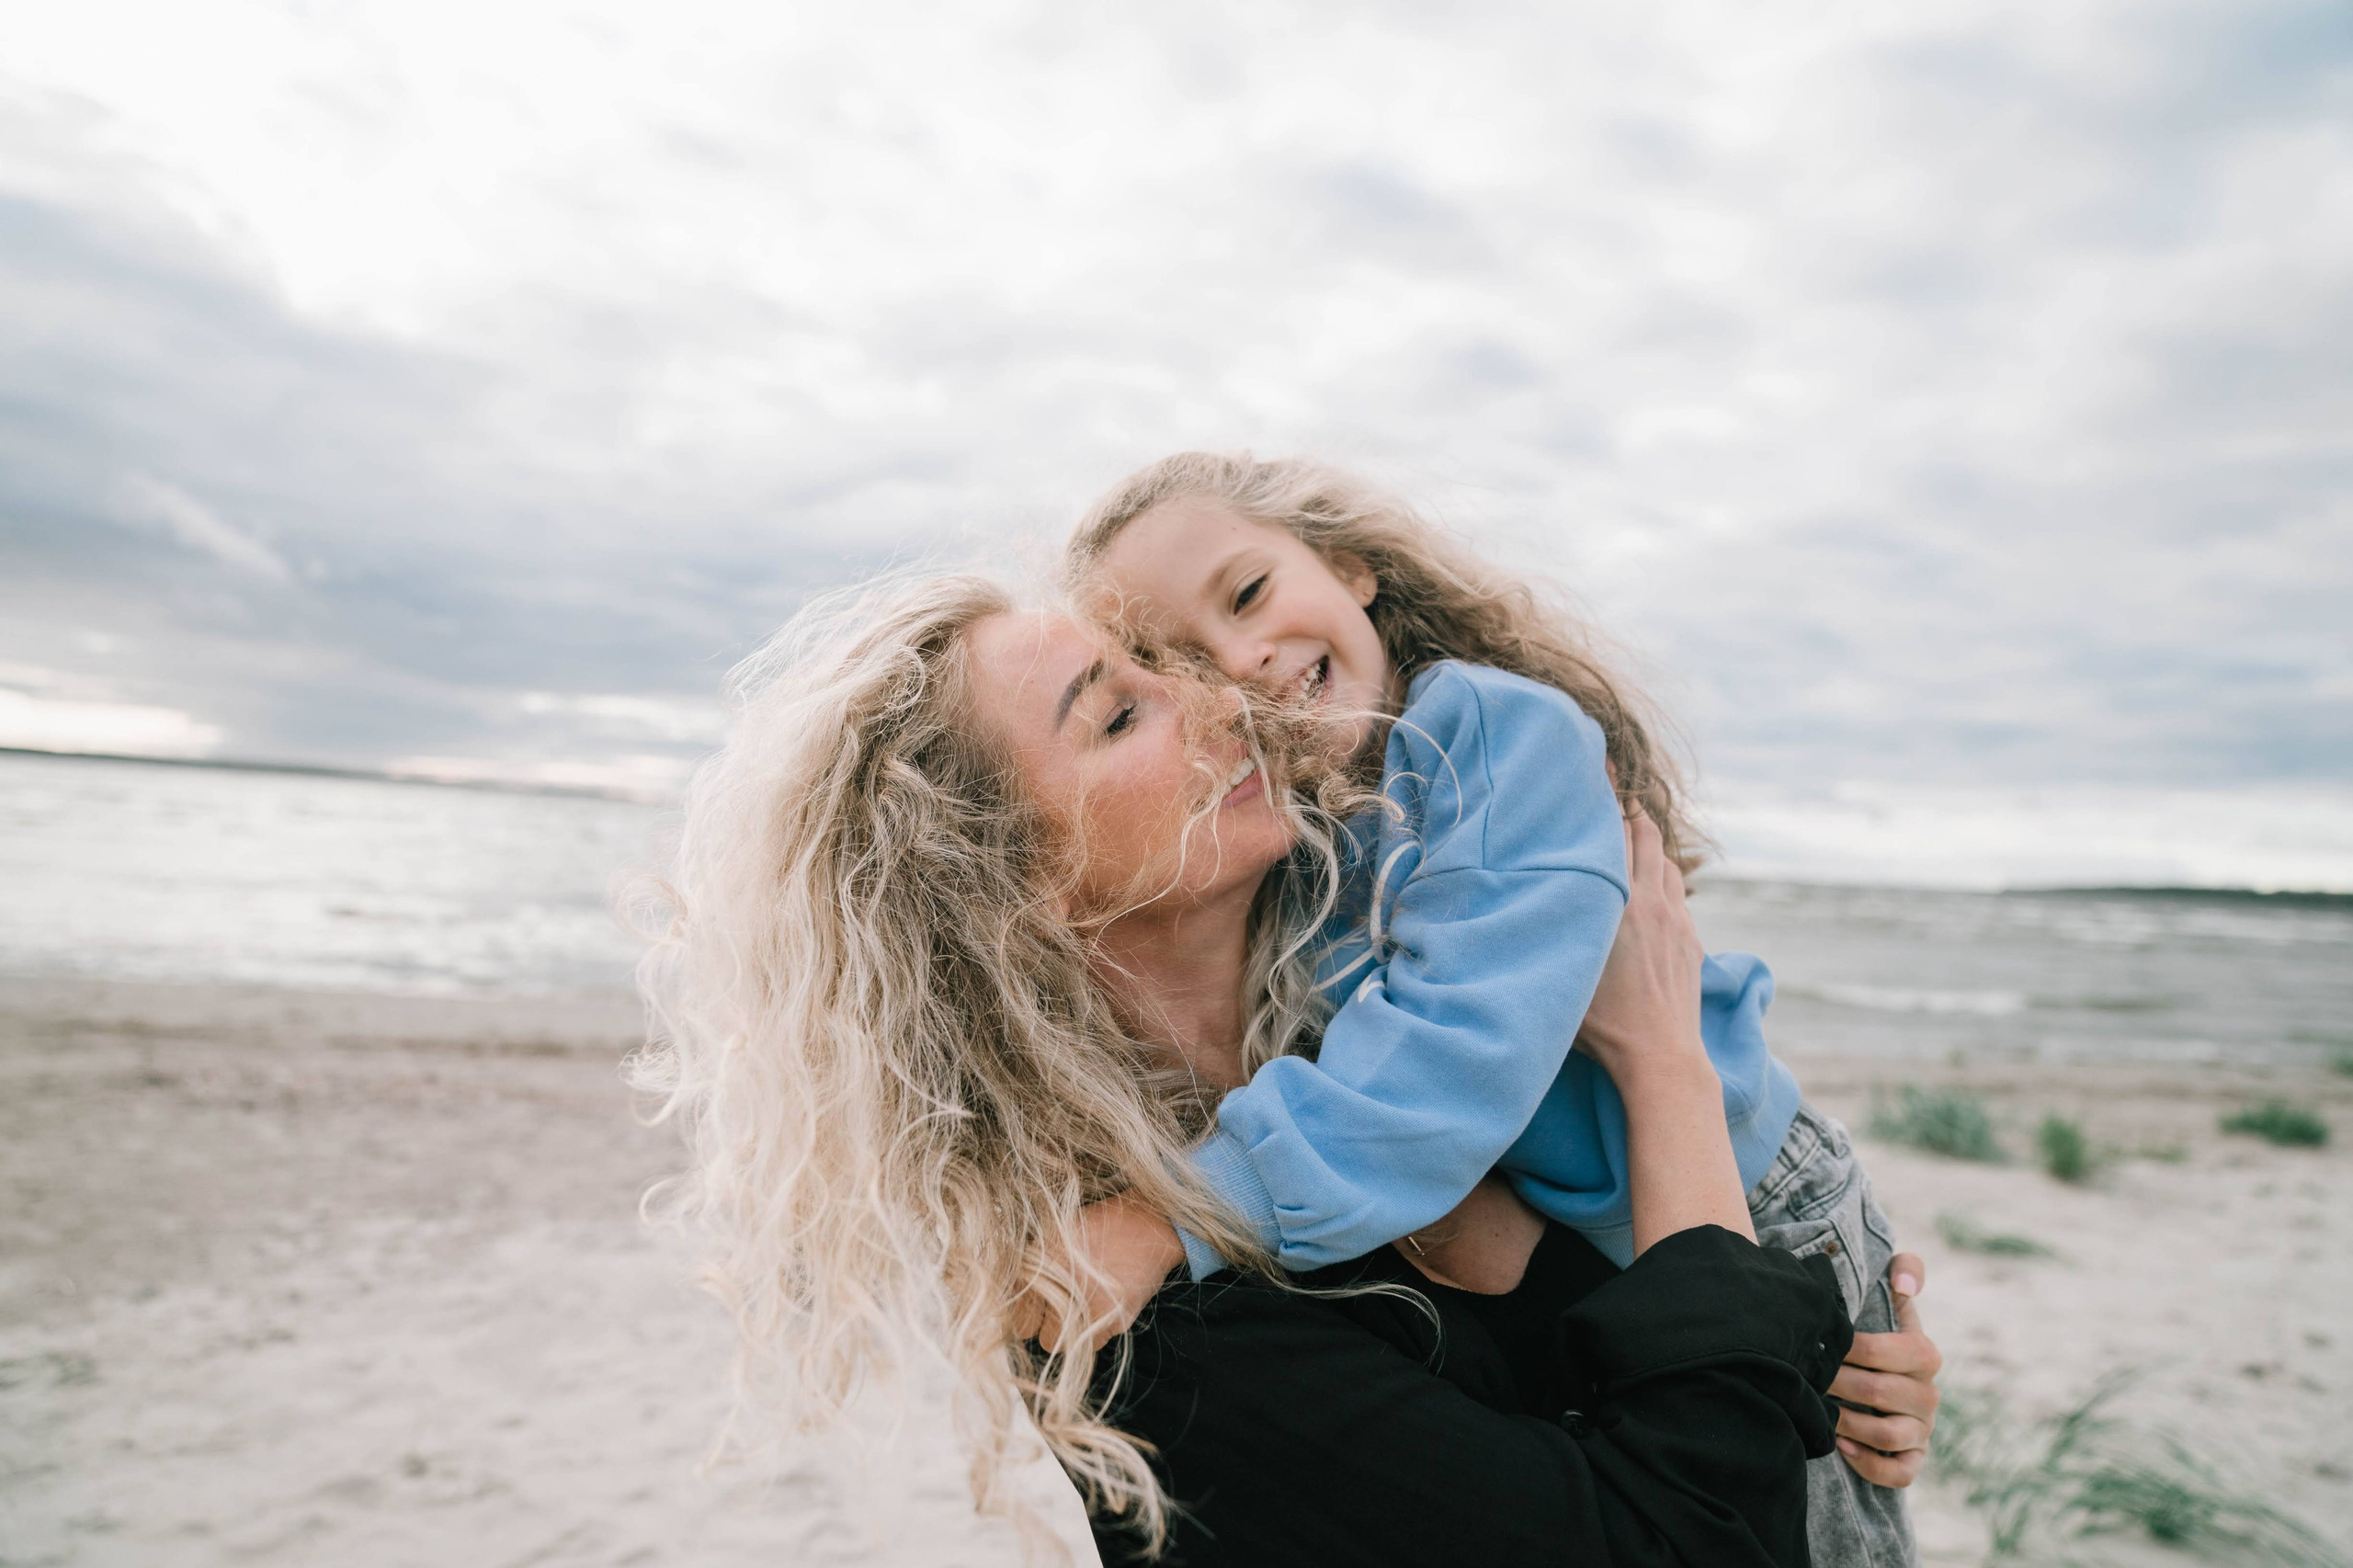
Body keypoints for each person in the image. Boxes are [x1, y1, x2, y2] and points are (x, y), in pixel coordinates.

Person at [634, 571, 1939, 1564]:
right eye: (1122, 709)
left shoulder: (1372, 1078)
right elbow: (1683, 1537)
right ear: (1010, 891)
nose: (1220, 696)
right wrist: (1662, 1066)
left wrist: (1824, 1376)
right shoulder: (1128, 1307)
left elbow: (1633, 1371)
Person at [1051, 451, 1917, 1565]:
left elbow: (1453, 1057)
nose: (1241, 658)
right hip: (1594, 1238)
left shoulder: (1494, 739)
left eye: (1250, 592)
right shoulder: (1300, 835)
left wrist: (1172, 1214)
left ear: (1352, 566)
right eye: (1174, 661)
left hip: (1748, 1196)